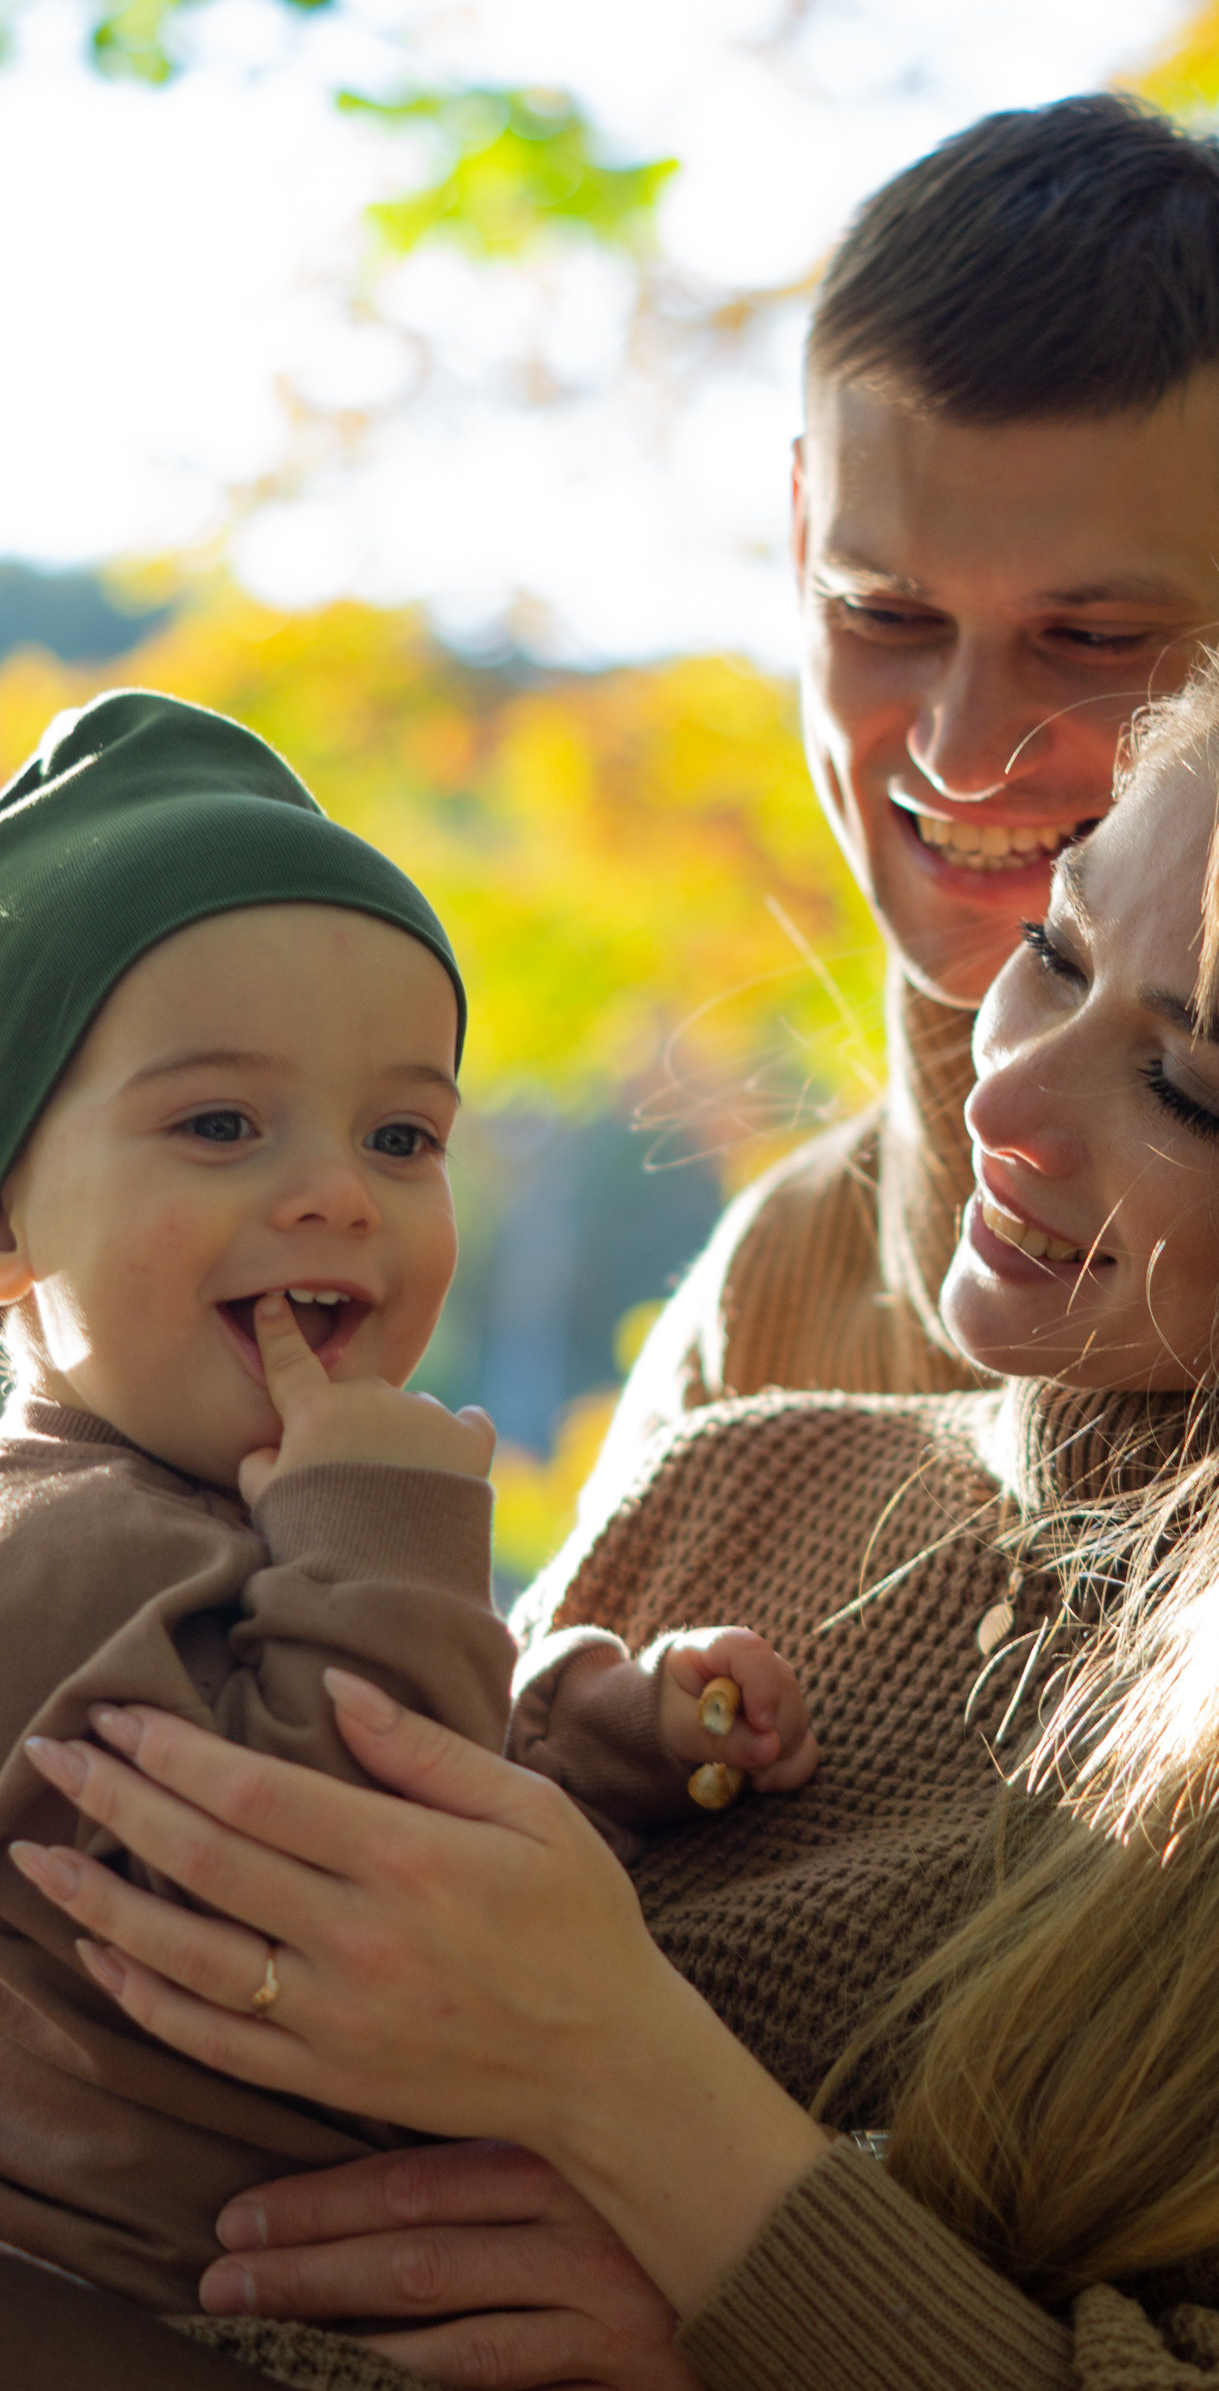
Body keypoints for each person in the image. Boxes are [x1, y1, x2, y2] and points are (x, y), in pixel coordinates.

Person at [19, 629, 1219, 2390]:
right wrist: (568, 1721)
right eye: (1052, 952)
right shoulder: (740, 1482)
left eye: (1186, 1089)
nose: (1001, 1093)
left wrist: (690, 2183)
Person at [0, 690, 814, 2375]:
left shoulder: (225, 1511)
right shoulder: (56, 1550)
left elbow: (375, 1760)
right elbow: (351, 1884)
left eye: (402, 1137)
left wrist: (580, 1732)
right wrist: (389, 1532)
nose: (337, 1193)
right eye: (220, 1125)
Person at [581, 90, 1219, 1515]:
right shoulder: (765, 1302)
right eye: (882, 613)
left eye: (1092, 638)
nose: (962, 755)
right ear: (799, 534)